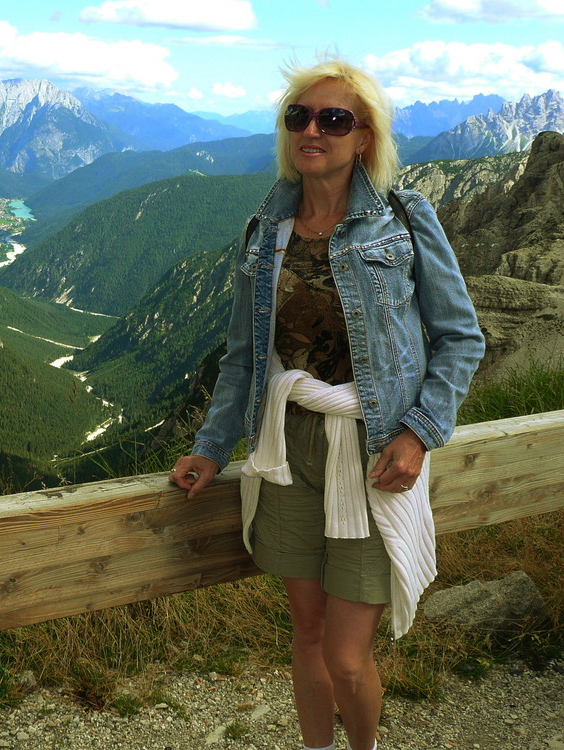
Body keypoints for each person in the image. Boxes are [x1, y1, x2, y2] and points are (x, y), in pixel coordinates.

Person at [169, 58, 485, 750]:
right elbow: (246, 358)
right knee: (307, 636)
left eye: (333, 119)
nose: (313, 130)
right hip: (288, 449)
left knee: (346, 655)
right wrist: (211, 447)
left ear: (365, 136)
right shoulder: (266, 232)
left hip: (370, 452)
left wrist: (420, 433)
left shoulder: (406, 219)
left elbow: (462, 339)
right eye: (299, 117)